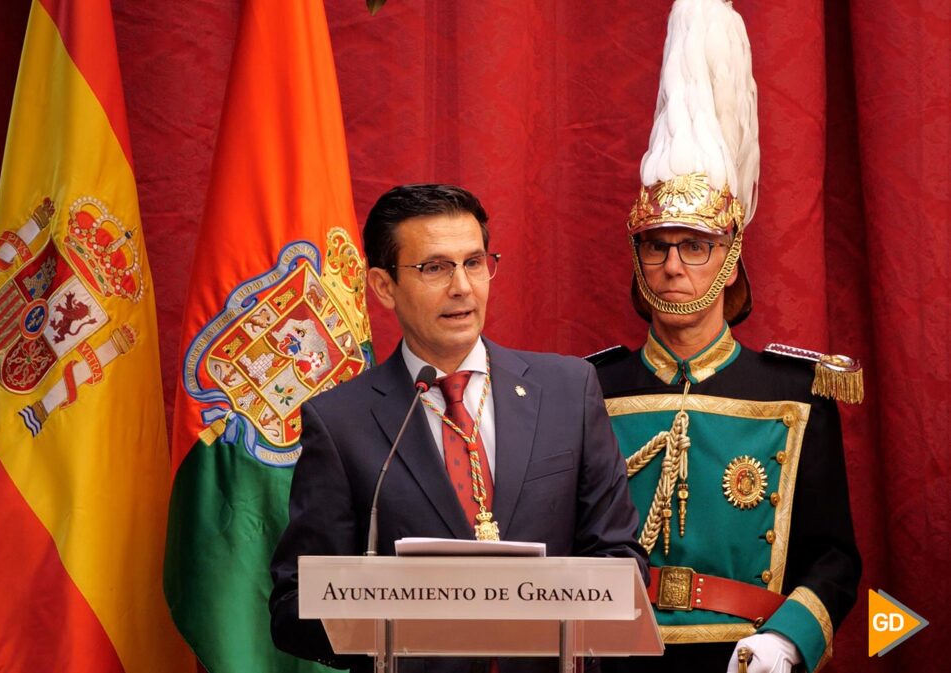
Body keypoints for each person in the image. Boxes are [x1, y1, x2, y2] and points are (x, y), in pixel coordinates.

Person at [271, 183, 646, 673]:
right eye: (434, 267)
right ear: (384, 286)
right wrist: (393, 609)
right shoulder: (341, 422)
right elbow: (293, 606)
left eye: (474, 262)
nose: (462, 287)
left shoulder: (567, 390)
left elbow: (620, 559)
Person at [590, 2, 862, 673]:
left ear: (731, 257)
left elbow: (833, 554)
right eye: (657, 246)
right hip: (619, 655)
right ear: (638, 255)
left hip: (747, 655)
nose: (674, 265)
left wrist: (788, 638)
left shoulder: (796, 393)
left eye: (696, 246)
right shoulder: (588, 388)